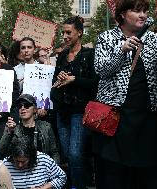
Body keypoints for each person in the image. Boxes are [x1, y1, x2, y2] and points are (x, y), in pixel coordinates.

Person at [93, 0, 157, 188]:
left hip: (146, 118)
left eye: (145, 11)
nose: (143, 15)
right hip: (116, 118)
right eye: (137, 11)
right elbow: (101, 70)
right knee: (115, 174)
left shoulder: (153, 39)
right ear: (122, 14)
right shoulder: (107, 37)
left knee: (147, 172)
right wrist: (121, 50)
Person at [50, 16, 98, 189]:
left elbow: (95, 83)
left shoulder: (89, 54)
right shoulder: (62, 56)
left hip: (80, 112)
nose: (64, 36)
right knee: (68, 155)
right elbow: (55, 82)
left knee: (76, 154)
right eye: (63, 32)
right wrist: (60, 79)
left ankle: (79, 186)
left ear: (80, 32)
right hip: (62, 112)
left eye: (68, 32)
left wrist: (74, 79)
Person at [0, 94, 60, 164]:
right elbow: (0, 153)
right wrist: (8, 132)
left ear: (35, 109)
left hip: (41, 170)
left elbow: (54, 152)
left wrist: (53, 170)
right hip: (19, 169)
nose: (22, 108)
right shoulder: (13, 129)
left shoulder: (46, 127)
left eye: (26, 105)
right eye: (20, 106)